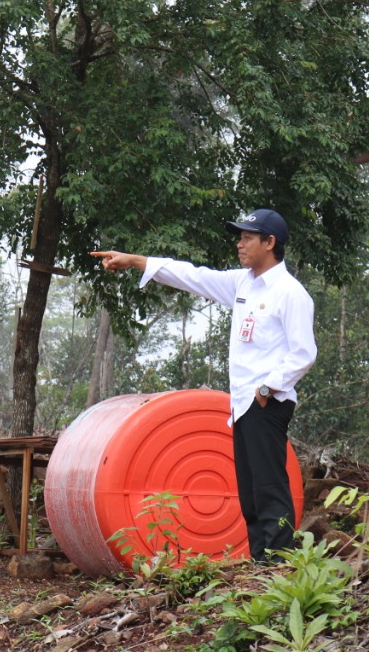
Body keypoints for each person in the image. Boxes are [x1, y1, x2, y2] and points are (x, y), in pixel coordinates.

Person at [91, 208, 316, 562]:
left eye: (247, 238)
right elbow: (192, 276)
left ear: (270, 243)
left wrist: (266, 389)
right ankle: (262, 563)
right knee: (250, 490)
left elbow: (303, 353)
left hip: (266, 403)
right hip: (243, 405)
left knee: (269, 486)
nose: (239, 244)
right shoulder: (243, 283)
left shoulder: (291, 293)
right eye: (239, 237)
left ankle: (281, 564)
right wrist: (135, 261)